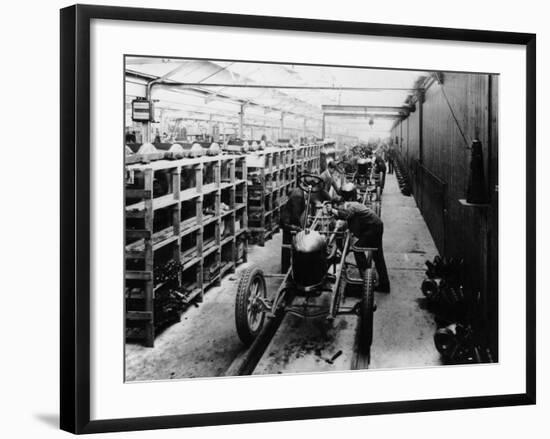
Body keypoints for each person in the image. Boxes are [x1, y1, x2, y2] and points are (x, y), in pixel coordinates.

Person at [332, 183, 390, 293]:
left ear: (340, 204)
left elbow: (345, 215)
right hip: (375, 226)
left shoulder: (350, 206)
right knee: (378, 256)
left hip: (373, 228)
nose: (337, 209)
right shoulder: (351, 204)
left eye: (337, 207)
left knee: (357, 249)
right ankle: (384, 284)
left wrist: (333, 211)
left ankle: (365, 276)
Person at [279, 186, 331, 273]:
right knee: (288, 246)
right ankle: (286, 270)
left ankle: (288, 268)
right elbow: (296, 215)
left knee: (289, 245)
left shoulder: (301, 192)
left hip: (289, 221)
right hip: (287, 223)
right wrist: (300, 229)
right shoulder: (298, 197)